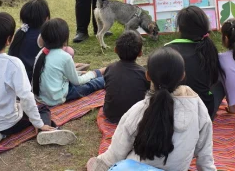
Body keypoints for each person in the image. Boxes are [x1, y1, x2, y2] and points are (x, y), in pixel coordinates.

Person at [86, 47, 215, 171]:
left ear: (147, 75)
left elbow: (115, 155)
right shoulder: (198, 107)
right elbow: (205, 158)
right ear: (182, 75)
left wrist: (97, 165)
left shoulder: (139, 110)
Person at [0, 12, 77, 145]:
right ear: (9, 39)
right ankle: (45, 131)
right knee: (42, 109)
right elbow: (26, 96)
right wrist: (38, 123)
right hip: (7, 123)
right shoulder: (13, 63)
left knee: (19, 105)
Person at [164, 6, 225, 120]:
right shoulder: (209, 50)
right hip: (203, 114)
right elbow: (212, 80)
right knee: (221, 82)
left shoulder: (166, 50)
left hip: (172, 113)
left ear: (180, 28)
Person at [32, 18, 105, 106]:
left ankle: (100, 72)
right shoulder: (65, 57)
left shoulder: (42, 52)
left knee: (81, 76)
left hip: (41, 97)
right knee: (90, 84)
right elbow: (77, 82)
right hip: (56, 99)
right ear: (64, 38)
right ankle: (108, 76)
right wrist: (94, 73)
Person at [8, 0, 75, 81]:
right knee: (69, 51)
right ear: (46, 19)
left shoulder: (20, 31)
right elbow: (57, 54)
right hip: (36, 78)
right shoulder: (43, 35)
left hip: (18, 75)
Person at [103, 31, 149, 123]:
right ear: (140, 53)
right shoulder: (144, 73)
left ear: (115, 49)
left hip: (111, 114)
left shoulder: (110, 68)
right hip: (136, 116)